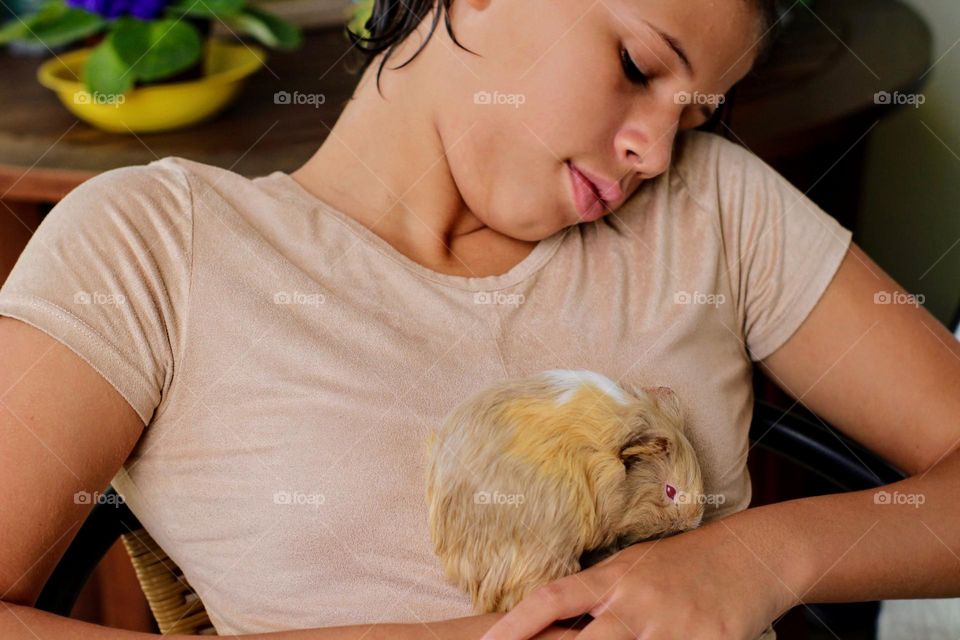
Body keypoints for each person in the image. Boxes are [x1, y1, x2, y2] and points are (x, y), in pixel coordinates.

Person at [2, 0, 959, 638]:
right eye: (636, 66)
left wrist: (757, 557)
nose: (657, 150)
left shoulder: (716, 209)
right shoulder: (156, 245)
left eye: (696, 115)